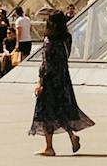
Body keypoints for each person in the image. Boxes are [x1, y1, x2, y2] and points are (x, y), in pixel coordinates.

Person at [30, 10, 94, 154]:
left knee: (46, 112)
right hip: (63, 78)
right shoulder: (67, 38)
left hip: (50, 80)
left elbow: (45, 63)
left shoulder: (49, 40)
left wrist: (40, 82)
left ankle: (49, 147)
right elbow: (66, 56)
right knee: (62, 110)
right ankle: (72, 136)